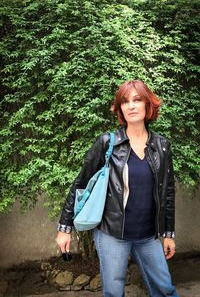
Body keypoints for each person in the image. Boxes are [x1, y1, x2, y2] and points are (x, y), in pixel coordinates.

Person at [56, 80, 179, 297]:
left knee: (165, 290)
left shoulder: (162, 146)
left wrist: (168, 233)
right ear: (120, 108)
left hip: (149, 235)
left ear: (147, 104)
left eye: (137, 100)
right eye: (125, 101)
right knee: (114, 293)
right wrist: (64, 228)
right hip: (112, 234)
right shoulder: (107, 142)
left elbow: (167, 191)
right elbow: (80, 183)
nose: (131, 106)